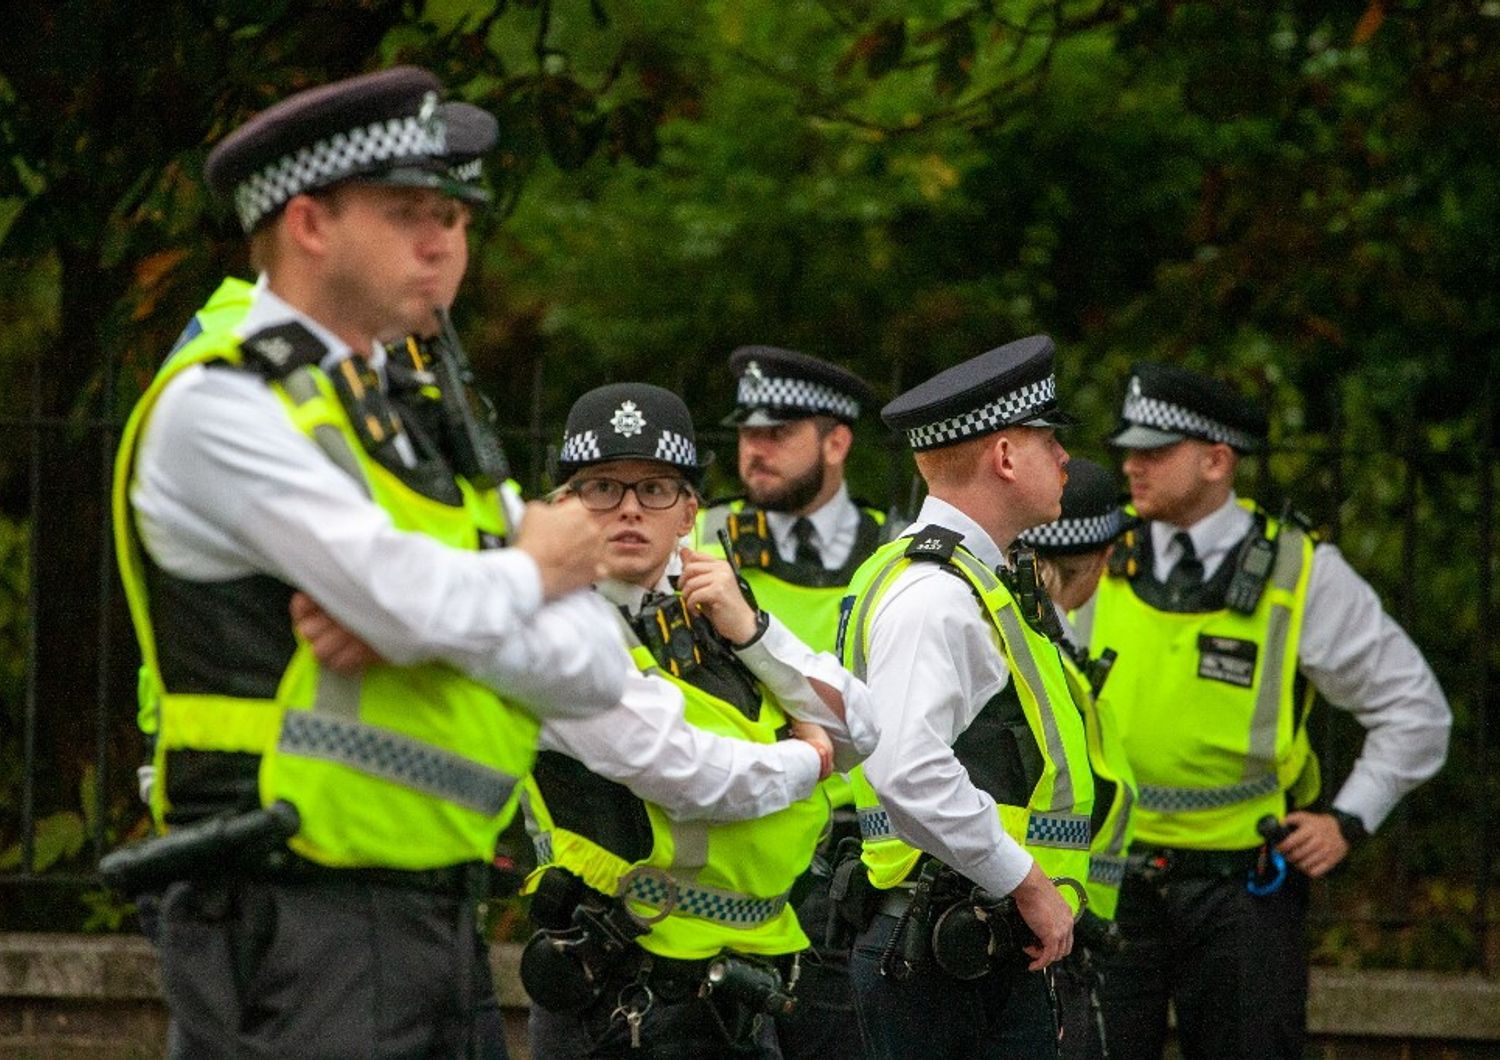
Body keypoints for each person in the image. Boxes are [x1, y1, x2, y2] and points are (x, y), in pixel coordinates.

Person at [111, 67, 637, 1058]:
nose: (444, 242)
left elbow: (600, 662)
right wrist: (524, 569)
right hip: (292, 921)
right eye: (409, 213)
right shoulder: (227, 403)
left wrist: (443, 615)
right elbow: (437, 601)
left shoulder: (406, 410)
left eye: (455, 216)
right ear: (309, 224)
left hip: (435, 913)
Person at [1083, 362, 1453, 1059]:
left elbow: (1416, 708)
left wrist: (1348, 818)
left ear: (1218, 461)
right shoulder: (1096, 551)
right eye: (1128, 448)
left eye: (1154, 451)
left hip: (1244, 891)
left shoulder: (1297, 570)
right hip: (1109, 882)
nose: (1130, 465)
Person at [519, 382, 877, 1058]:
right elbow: (683, 771)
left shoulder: (714, 613)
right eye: (601, 487)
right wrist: (808, 759)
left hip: (740, 997)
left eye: (655, 489)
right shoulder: (554, 622)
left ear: (689, 514)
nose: (628, 509)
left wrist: (753, 634)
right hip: (620, 1001)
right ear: (562, 506)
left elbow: (862, 728)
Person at [840, 335, 1095, 1060]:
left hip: (967, 936)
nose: (1066, 459)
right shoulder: (936, 596)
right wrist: (1027, 883)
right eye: (1051, 440)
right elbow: (905, 767)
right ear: (1007, 456)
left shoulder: (975, 580)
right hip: (944, 949)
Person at [693, 345, 887, 1059]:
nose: (754, 450)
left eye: (778, 434)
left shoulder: (892, 555)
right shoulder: (701, 539)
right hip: (729, 852)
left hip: (847, 869)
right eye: (747, 434)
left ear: (837, 441)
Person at [1014, 458, 1140, 1059]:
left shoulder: (1034, 645)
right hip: (1039, 942)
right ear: (1102, 559)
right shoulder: (1043, 657)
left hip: (1048, 934)